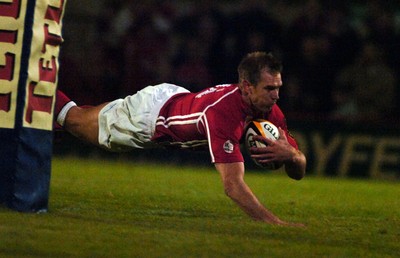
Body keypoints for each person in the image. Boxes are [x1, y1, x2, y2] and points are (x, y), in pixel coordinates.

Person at [55, 52, 306, 226]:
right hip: (150, 117)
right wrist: (276, 223)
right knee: (75, 121)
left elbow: (298, 171)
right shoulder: (224, 114)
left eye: (278, 88)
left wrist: (292, 155)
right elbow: (232, 186)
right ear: (247, 86)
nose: (276, 96)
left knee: (82, 118)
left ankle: (39, 112)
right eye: (269, 89)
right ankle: (34, 85)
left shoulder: (270, 111)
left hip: (173, 99)